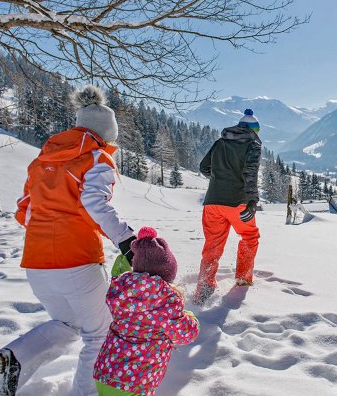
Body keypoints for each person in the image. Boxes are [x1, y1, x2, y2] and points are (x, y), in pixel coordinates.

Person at [0, 86, 136, 396]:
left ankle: (14, 359)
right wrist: (126, 239)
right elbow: (95, 202)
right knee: (100, 334)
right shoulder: (96, 156)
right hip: (77, 260)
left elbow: (24, 209)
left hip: (37, 262)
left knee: (67, 325)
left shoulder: (42, 160)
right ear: (104, 134)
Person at [94, 227, 199, 396]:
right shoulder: (166, 303)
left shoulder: (122, 291)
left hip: (105, 374)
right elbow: (187, 334)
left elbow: (119, 275)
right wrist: (190, 317)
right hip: (135, 383)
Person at [193, 109, 262, 305]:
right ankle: (242, 279)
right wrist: (252, 201)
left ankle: (204, 287)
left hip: (212, 202)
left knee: (212, 245)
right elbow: (250, 172)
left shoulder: (219, 142)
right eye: (257, 129)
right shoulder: (253, 145)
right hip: (238, 202)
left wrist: (219, 181)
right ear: (252, 129)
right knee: (249, 237)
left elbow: (204, 167)